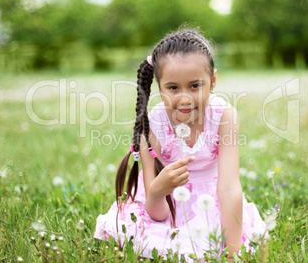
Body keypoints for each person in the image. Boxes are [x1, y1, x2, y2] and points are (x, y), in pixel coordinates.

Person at [94, 29, 266, 261]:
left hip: (214, 201)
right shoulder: (151, 123)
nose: (184, 98)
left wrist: (235, 252)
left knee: (215, 241)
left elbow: (228, 187)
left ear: (213, 81)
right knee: (154, 238)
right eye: (173, 88)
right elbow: (157, 212)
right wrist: (157, 190)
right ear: (159, 87)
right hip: (167, 200)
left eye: (195, 86)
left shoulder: (223, 116)